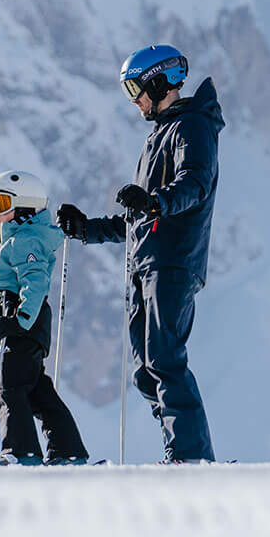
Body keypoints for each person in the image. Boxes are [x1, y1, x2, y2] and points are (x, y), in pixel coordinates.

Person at [56, 44, 222, 463]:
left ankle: (191, 455)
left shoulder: (191, 128)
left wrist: (154, 203)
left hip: (173, 261)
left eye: (136, 87)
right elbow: (137, 218)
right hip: (144, 265)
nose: (134, 100)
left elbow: (193, 183)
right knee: (144, 370)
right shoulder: (158, 136)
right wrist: (87, 229)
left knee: (165, 358)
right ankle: (179, 451)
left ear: (159, 79)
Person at [0, 169, 89, 465]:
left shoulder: (24, 241)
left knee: (10, 387)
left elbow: (35, 281)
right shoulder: (19, 239)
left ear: (25, 208)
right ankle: (68, 451)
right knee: (37, 389)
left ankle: (21, 452)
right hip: (27, 323)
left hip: (24, 322)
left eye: (2, 204)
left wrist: (18, 320)